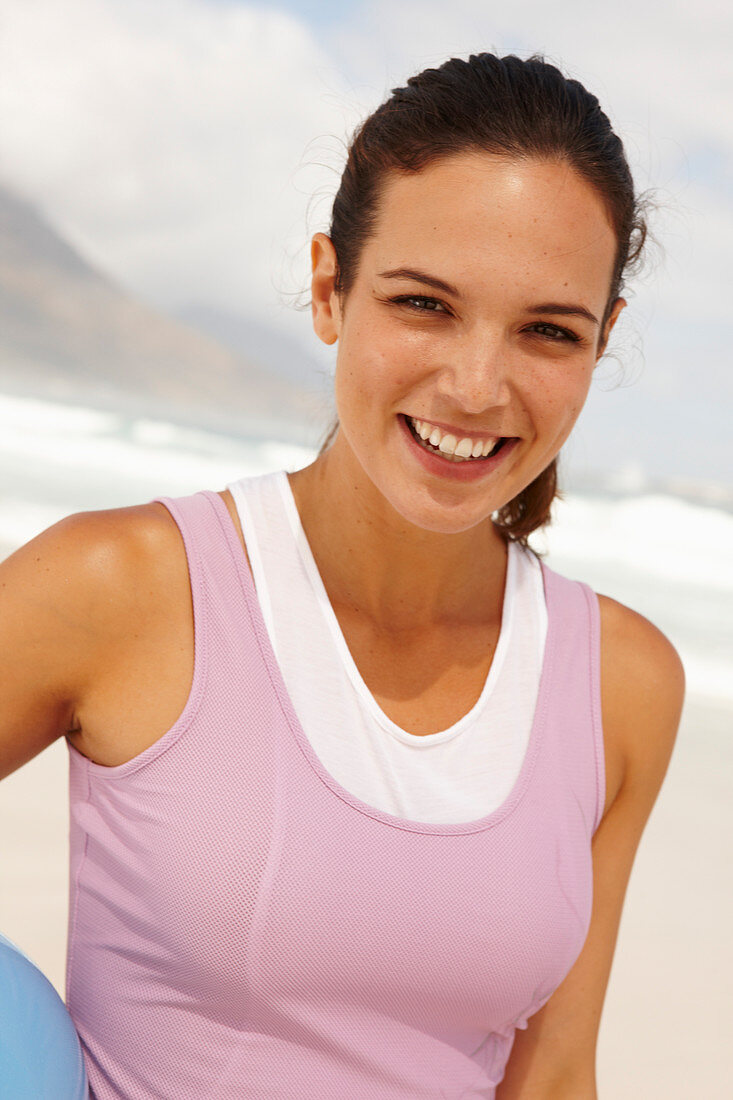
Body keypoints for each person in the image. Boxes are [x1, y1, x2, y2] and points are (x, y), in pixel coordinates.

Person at [0, 52, 684, 1099]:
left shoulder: (621, 681)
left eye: (548, 330)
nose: (474, 383)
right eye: (424, 304)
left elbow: (552, 1077)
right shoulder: (121, 588)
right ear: (330, 287)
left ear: (603, 343)